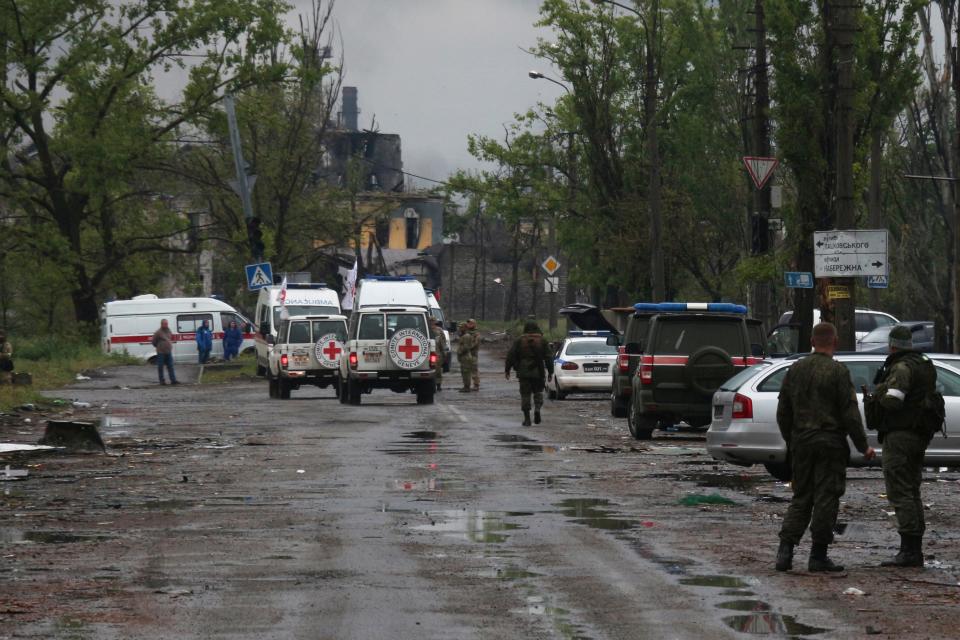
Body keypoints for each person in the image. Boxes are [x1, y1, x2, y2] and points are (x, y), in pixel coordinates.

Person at [774, 322, 875, 573]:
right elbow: (850, 413)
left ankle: (785, 551)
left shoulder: (795, 369)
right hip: (830, 443)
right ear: (835, 342)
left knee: (802, 496)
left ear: (811, 341)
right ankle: (818, 555)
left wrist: (792, 439)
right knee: (826, 497)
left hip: (802, 442)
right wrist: (863, 446)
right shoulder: (838, 372)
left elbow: (783, 411)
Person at [867, 325, 938, 567]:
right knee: (912, 489)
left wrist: (877, 396)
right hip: (918, 433)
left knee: (900, 490)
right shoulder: (923, 364)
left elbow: (894, 401)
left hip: (900, 434)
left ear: (892, 345)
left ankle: (909, 550)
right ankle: (913, 547)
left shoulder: (901, 367)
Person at [505, 321, 553, 426]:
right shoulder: (542, 340)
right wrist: (550, 372)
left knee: (525, 395)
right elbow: (549, 357)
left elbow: (511, 355)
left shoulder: (519, 341)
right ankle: (537, 409)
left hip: (523, 372)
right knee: (538, 392)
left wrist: (507, 370)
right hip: (538, 371)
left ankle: (527, 419)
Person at [152, 319, 178, 385]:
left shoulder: (169, 330)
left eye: (167, 323)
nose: (166, 324)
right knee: (160, 367)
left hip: (168, 351)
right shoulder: (158, 332)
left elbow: (170, 338)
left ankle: (173, 380)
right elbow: (154, 342)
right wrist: (159, 346)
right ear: (161, 324)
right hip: (161, 352)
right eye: (165, 323)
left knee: (170, 366)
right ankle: (162, 381)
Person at [456, 321, 477, 392]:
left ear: (464, 328)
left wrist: (459, 352)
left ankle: (467, 387)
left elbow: (466, 347)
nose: (459, 329)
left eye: (461, 327)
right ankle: (465, 386)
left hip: (466, 357)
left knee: (466, 372)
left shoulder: (466, 336)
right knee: (464, 372)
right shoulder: (463, 336)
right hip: (464, 357)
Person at [430, 318, 448, 391]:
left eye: (433, 321)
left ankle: (438, 385)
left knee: (437, 370)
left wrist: (445, 353)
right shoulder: (424, 328)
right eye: (430, 321)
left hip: (437, 353)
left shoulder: (439, 330)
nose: (432, 322)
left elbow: (443, 342)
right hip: (427, 353)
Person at [465, 318, 480, 390]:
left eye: (470, 323)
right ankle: (467, 385)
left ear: (474, 324)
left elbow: (475, 343)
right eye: (468, 323)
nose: (469, 324)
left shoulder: (476, 333)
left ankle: (476, 385)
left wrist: (467, 347)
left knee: (474, 370)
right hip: (466, 354)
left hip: (473, 354)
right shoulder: (466, 332)